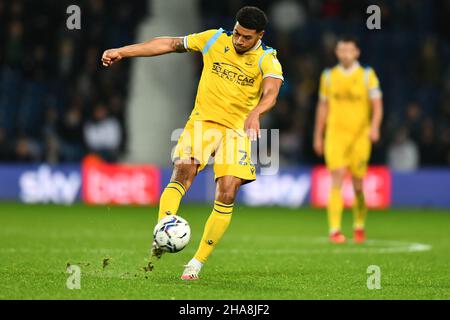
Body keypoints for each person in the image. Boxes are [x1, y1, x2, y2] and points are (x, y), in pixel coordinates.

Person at [101, 6, 283, 280]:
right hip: (203, 123)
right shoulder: (213, 39)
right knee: (183, 172)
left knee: (228, 191)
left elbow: (270, 92)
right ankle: (163, 230)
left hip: (236, 131)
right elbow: (169, 43)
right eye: (236, 33)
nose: (238, 41)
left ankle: (195, 264)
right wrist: (123, 51)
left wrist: (257, 112)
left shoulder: (268, 59)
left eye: (246, 37)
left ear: (260, 35)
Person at [313, 35, 383, 244]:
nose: (345, 54)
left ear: (356, 52)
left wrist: (375, 127)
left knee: (358, 185)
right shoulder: (328, 76)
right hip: (335, 135)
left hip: (359, 136)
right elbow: (323, 107)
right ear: (336, 52)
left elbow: (377, 105)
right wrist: (318, 134)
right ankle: (334, 230)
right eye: (341, 50)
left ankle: (358, 225)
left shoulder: (367, 75)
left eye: (349, 50)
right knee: (337, 176)